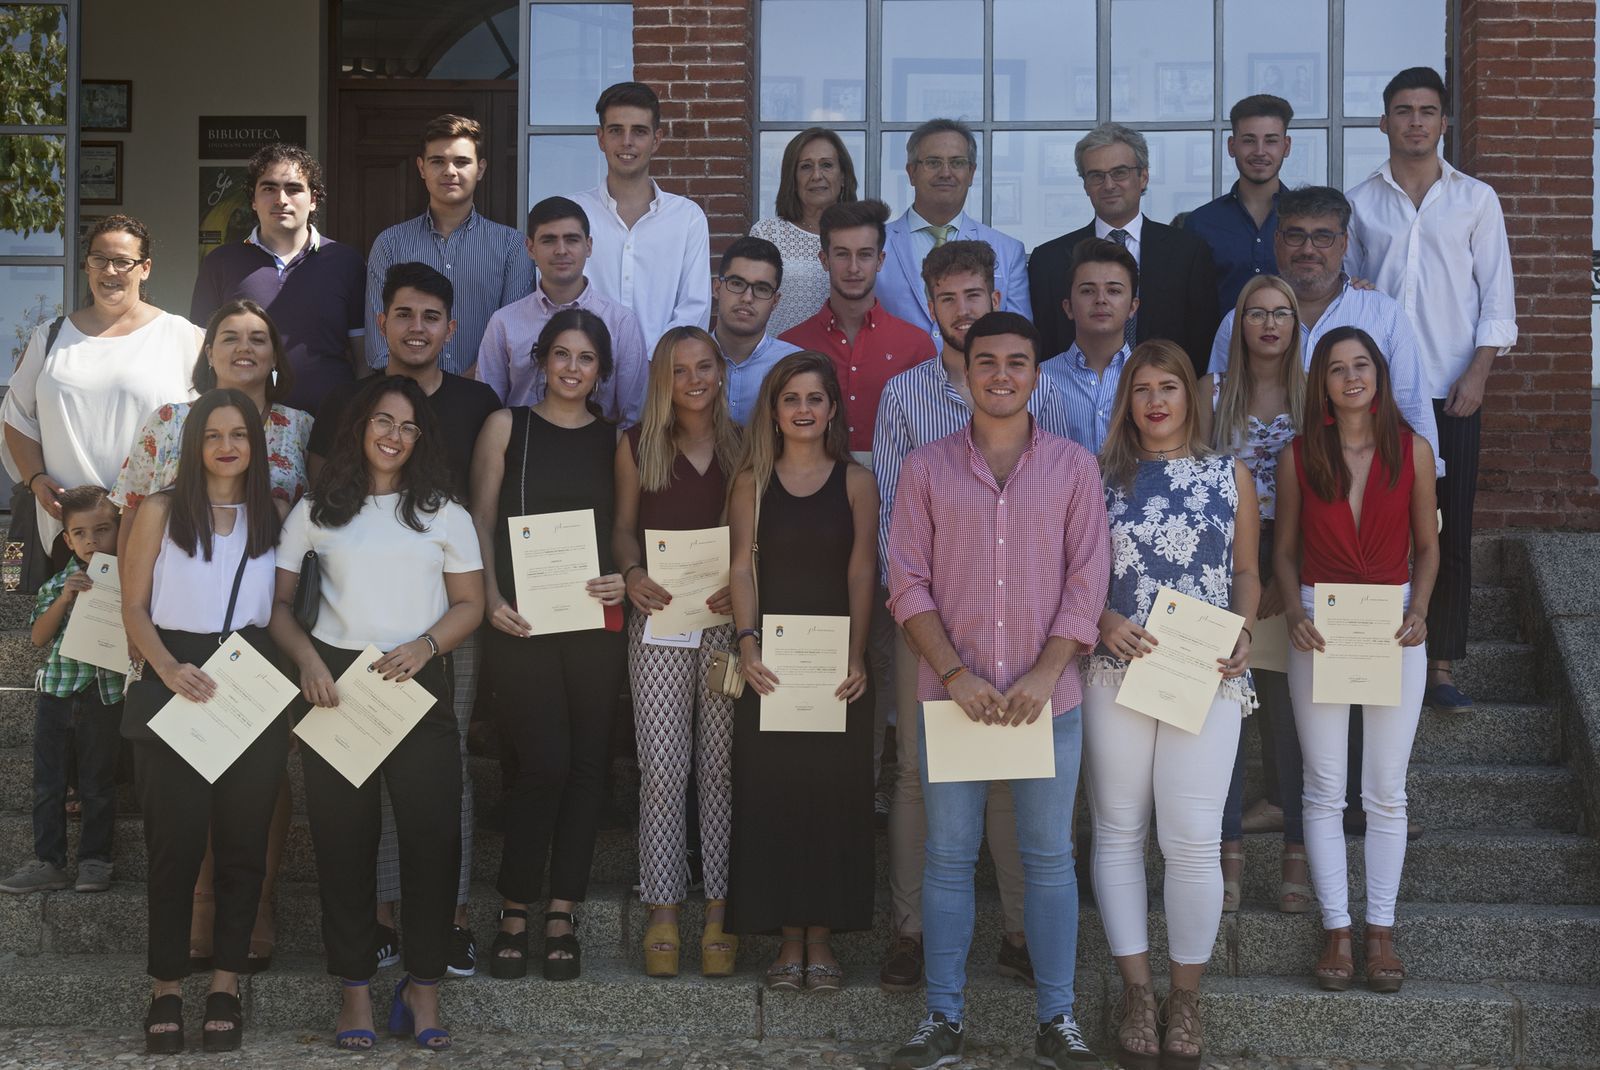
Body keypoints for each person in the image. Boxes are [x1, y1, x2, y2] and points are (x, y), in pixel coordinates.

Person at [886, 311, 1108, 1070]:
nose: (1003, 374)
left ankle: (1059, 1021)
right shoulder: (926, 468)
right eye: (988, 362)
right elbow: (906, 582)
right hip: (955, 699)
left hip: (1052, 699)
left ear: (1036, 373)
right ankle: (941, 1020)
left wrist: (1047, 673)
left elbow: (1088, 583)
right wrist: (954, 674)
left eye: (1018, 361)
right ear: (967, 371)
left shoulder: (1075, 468)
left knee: (1049, 860)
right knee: (947, 858)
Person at [871, 241, 1073, 993]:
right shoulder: (905, 397)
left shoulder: (1044, 392)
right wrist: (935, 639)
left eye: (975, 296)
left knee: (1010, 773)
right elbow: (895, 520)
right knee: (917, 775)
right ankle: (911, 932)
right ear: (931, 308)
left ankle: (1019, 933)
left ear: (996, 299)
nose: (964, 310)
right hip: (929, 623)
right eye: (949, 298)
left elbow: (1073, 510)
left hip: (1024, 622)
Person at [271, 375, 485, 1051]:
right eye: (381, 422)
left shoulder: (444, 512)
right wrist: (307, 662)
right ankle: (355, 993)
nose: (392, 435)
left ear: (420, 439)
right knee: (344, 846)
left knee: (432, 844)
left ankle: (421, 992)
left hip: (418, 691)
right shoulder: (316, 508)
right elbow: (277, 607)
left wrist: (425, 647)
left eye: (407, 426)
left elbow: (470, 606)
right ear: (360, 427)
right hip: (335, 692)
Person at [311, 262, 501, 978]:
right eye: (403, 314)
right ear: (381, 323)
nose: (416, 327)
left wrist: (486, 600)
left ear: (451, 330)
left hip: (444, 615)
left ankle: (447, 919)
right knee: (365, 757)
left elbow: (483, 508)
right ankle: (384, 922)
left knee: (440, 768)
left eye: (431, 317)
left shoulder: (479, 404)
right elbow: (328, 498)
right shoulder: (344, 403)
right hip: (352, 619)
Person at [111, 298, 311, 974]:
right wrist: (153, 654)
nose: (245, 347)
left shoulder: (293, 440)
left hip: (254, 649)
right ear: (209, 349)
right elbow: (133, 537)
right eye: (230, 336)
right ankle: (192, 920)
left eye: (260, 337)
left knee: (253, 803)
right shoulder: (169, 431)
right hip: (179, 633)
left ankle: (248, 912)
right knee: (179, 809)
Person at [1085, 341, 1259, 1070]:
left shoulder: (1231, 474)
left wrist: (1245, 625)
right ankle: (1136, 991)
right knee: (1119, 830)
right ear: (1125, 401)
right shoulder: (1096, 479)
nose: (1155, 401)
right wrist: (1100, 619)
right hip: (1115, 672)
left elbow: (1246, 569)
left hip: (1203, 673)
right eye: (1141, 388)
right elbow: (1076, 574)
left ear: (1193, 395)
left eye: (1170, 387)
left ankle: (1185, 995)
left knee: (1189, 837)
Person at [1346, 66, 1518, 713]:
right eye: (1402, 110)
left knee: (1449, 529)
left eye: (1426, 110)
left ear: (1444, 122)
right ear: (1383, 121)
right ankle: (1369, 654)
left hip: (1452, 392)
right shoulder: (1359, 203)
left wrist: (1479, 372)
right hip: (1377, 397)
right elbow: (1348, 300)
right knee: (1373, 522)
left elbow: (1495, 295)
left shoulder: (1476, 200)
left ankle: (1440, 665)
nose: (1415, 121)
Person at [1273, 326, 1438, 994]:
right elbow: (1281, 550)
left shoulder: (1414, 450)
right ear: (1322, 382)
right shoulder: (1297, 455)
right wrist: (1292, 611)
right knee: (1323, 784)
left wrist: (1421, 608)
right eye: (1337, 368)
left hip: (1394, 622)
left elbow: (1428, 546)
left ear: (1378, 374)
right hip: (1321, 619)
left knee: (1386, 789)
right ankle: (1337, 930)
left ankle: (1381, 931)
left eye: (1361, 365)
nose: (1351, 378)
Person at [119, 390, 285, 1054]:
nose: (225, 445)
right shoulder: (160, 510)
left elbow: (280, 610)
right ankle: (165, 989)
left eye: (238, 434)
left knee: (245, 848)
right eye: (211, 434)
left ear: (255, 444)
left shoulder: (272, 516)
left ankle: (225, 984)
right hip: (176, 679)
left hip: (249, 682)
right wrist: (165, 667)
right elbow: (132, 606)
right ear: (193, 444)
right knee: (175, 850)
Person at [470, 308, 626, 983]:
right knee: (544, 764)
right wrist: (490, 599)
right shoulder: (508, 426)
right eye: (560, 354)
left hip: (593, 622)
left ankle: (562, 910)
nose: (571, 368)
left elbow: (623, 528)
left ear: (601, 371)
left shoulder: (614, 440)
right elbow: (477, 519)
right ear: (541, 359)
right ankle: (514, 906)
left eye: (585, 358)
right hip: (522, 624)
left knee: (589, 765)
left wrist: (627, 575)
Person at [724, 350, 877, 990]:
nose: (804, 410)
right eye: (792, 400)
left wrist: (858, 653)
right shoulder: (751, 481)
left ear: (833, 409)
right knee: (776, 798)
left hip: (838, 669)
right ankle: (788, 939)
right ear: (775, 411)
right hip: (773, 670)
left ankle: (824, 937)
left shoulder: (856, 482)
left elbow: (862, 568)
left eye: (816, 399)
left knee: (834, 801)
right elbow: (740, 569)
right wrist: (748, 644)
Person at [611, 326, 743, 978]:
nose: (695, 378)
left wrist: (742, 586)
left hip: (724, 627)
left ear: (720, 371)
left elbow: (760, 536)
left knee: (720, 769)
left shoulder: (747, 445)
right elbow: (621, 526)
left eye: (705, 366)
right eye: (680, 369)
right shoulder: (637, 444)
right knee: (663, 768)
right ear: (662, 378)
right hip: (659, 622)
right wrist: (632, 573)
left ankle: (720, 904)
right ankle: (663, 904)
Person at [1197, 276, 1313, 918]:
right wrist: (1250, 574)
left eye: (1282, 313)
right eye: (1256, 313)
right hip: (1226, 571)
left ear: (1297, 324)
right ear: (1237, 324)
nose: (1269, 324)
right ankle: (1229, 860)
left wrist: (1280, 576)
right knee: (1230, 717)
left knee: (1288, 719)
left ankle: (1296, 855)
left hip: (1297, 566)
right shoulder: (1211, 393)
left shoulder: (1314, 391)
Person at [3, 214, 200, 560]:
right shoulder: (50, 337)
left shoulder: (182, 336)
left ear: (145, 268)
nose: (110, 271)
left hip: (156, 530)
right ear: (87, 266)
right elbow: (16, 418)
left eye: (123, 261)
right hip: (73, 534)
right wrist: (34, 478)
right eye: (100, 260)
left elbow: (207, 425)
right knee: (68, 613)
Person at [1208, 186, 1442, 472]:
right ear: (1277, 242)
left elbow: (1413, 409)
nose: (1308, 249)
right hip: (1245, 502)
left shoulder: (1383, 314)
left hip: (1352, 496)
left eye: (1323, 237)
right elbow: (1217, 411)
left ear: (1344, 244)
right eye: (1296, 236)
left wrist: (1426, 488)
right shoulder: (1238, 322)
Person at [0, 487, 123, 898]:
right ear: (67, 540)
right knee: (48, 782)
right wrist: (66, 598)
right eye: (81, 533)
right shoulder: (56, 584)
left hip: (105, 694)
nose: (93, 541)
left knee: (98, 782)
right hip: (58, 692)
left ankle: (95, 859)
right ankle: (49, 861)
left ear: (119, 530)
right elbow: (37, 638)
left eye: (103, 530)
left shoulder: (133, 581)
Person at [1027, 123, 1219, 375]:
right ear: (1085, 185)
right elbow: (1045, 343)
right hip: (1070, 406)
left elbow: (1202, 342)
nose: (1108, 185)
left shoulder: (1189, 252)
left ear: (1143, 177)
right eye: (1096, 175)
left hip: (1163, 401)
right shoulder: (1048, 260)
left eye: (1119, 173)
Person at [190, 143, 367, 413]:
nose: (281, 199)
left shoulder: (346, 262)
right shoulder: (220, 263)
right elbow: (200, 350)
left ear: (314, 199)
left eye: (294, 189)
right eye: (269, 188)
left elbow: (362, 357)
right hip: (243, 424)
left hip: (331, 422)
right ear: (253, 199)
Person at [364, 114, 534, 376]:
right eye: (438, 161)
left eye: (462, 162)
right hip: (403, 398)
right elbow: (379, 343)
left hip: (482, 399)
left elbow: (513, 337)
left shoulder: (511, 246)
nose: (449, 171)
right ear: (421, 168)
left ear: (481, 169)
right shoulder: (390, 244)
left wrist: (458, 391)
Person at [780, 198, 937, 459]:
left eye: (864, 254)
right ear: (824, 259)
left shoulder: (916, 346)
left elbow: (930, 437)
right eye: (842, 254)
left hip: (897, 489)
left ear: (880, 260)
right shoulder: (790, 346)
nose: (853, 268)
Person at [475, 196, 650, 425]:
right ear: (530, 247)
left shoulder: (620, 322)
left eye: (571, 240)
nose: (561, 250)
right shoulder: (504, 323)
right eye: (549, 240)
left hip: (600, 454)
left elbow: (632, 416)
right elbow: (488, 409)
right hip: (521, 452)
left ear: (588, 246)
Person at [573, 82, 711, 344]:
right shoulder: (575, 214)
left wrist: (651, 364)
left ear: (656, 139)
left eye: (639, 131)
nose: (627, 142)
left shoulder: (687, 218)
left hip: (662, 375)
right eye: (616, 131)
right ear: (601, 138)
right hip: (585, 374)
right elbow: (560, 299)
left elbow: (695, 309)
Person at [876, 118, 1031, 346]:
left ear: (971, 173)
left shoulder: (1007, 251)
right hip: (894, 379)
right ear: (911, 172)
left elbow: (1019, 338)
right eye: (933, 162)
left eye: (957, 163)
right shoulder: (875, 245)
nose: (945, 173)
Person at [1185, 95, 1295, 311]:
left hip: (1295, 344)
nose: (1260, 151)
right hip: (1219, 345)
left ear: (1286, 146)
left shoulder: (1306, 221)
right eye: (1249, 140)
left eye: (1271, 140)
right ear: (1231, 146)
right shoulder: (1200, 224)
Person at [749, 127, 859, 336]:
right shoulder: (768, 234)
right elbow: (750, 303)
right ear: (793, 178)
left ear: (843, 176)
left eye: (826, 165)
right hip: (781, 360)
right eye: (806, 167)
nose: (817, 175)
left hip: (844, 359)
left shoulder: (861, 236)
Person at [1039, 238, 1141, 453]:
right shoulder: (1039, 380)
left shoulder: (1149, 378)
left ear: (1133, 307)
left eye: (1114, 291)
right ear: (1067, 307)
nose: (1101, 299)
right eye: (1087, 291)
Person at [712, 235, 800, 425]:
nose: (747, 298)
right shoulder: (687, 359)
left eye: (761, 288)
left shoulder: (793, 365)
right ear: (717, 288)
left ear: (775, 301)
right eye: (736, 283)